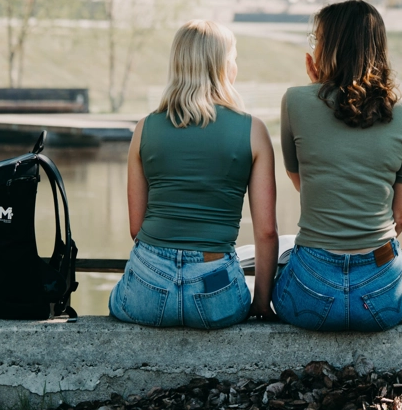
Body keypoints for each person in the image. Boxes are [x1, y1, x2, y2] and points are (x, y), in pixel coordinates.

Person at [109, 20, 279, 328]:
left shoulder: (144, 128)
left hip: (148, 286)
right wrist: (262, 301)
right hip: (215, 291)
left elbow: (137, 227)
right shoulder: (254, 131)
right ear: (224, 66)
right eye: (235, 57)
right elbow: (266, 232)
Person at [274, 0, 402, 332]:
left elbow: (303, 180)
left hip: (311, 291)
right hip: (383, 297)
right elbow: (400, 217)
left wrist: (314, 88)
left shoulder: (295, 101)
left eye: (318, 38)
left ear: (330, 48)